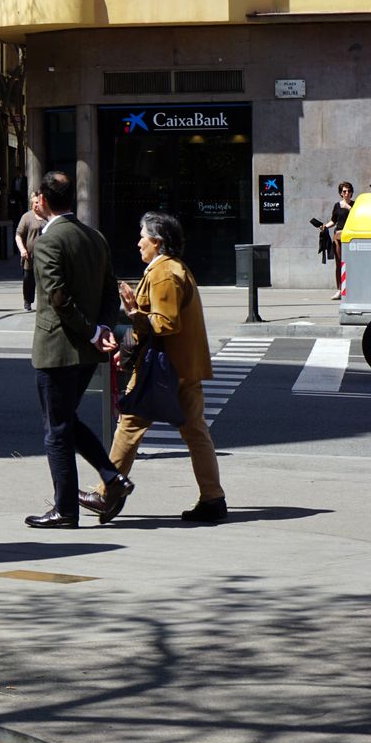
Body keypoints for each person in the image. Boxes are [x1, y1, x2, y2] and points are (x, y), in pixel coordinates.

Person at [82, 210, 226, 526]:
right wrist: (128, 347)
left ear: (157, 242)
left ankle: (109, 493)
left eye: (142, 237)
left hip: (165, 370)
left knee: (130, 422)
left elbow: (164, 323)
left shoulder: (164, 273)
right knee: (195, 432)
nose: (138, 243)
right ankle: (213, 498)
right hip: (180, 367)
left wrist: (134, 312)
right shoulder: (171, 269)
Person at [26, 170, 128, 530]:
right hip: (87, 352)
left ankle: (65, 509)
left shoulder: (48, 241)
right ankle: (112, 479)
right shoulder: (94, 237)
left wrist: (90, 332)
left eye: (36, 195)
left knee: (56, 429)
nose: (33, 201)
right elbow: (111, 291)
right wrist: (102, 328)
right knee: (67, 419)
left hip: (58, 349)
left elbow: (57, 298)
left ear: (43, 199)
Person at [322, 182, 354, 300]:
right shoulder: (337, 205)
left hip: (351, 237)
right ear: (341, 193)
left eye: (349, 191)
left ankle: (351, 289)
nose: (347, 193)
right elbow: (334, 221)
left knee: (351, 264)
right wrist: (325, 226)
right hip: (339, 235)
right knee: (339, 263)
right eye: (344, 191)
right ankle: (339, 290)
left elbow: (358, 217)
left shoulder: (355, 205)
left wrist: (349, 208)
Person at [15, 190, 45, 312]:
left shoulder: (47, 216)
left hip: (44, 255)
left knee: (44, 279)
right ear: (31, 204)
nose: (37, 205)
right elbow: (18, 235)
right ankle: (27, 301)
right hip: (30, 256)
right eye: (34, 203)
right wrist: (22, 250)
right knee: (29, 280)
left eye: (38, 202)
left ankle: (44, 303)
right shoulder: (27, 217)